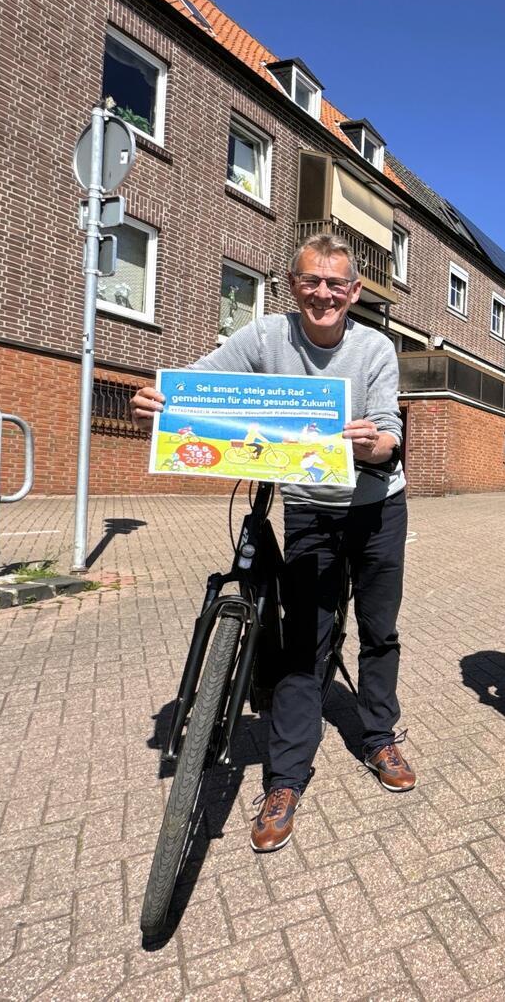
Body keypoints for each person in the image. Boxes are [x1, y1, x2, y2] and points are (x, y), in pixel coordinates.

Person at [131, 233, 415, 854]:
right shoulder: (264, 336)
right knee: (302, 641)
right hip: (309, 506)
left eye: (336, 284)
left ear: (354, 292)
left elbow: (390, 430)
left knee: (379, 629)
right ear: (293, 285)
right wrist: (160, 399)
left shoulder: (374, 348)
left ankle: (378, 737)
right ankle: (285, 779)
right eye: (311, 281)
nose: (323, 293)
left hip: (376, 507)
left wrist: (375, 445)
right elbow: (200, 380)